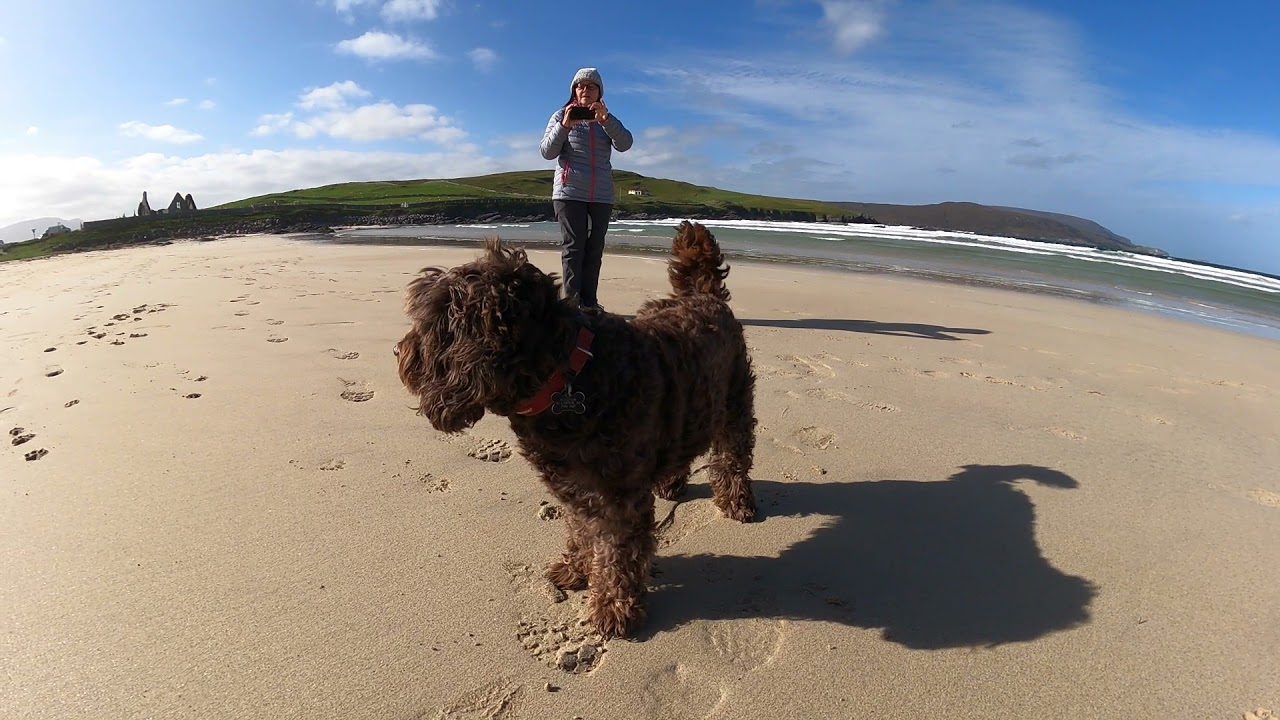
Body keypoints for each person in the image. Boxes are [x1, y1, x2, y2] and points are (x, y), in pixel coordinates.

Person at [539, 67, 633, 312]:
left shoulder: (606, 119)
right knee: (574, 247)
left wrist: (606, 120)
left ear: (599, 92)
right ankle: (572, 304)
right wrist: (565, 126)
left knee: (594, 250)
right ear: (574, 91)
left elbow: (625, 143)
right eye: (580, 86)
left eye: (591, 86)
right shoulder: (561, 115)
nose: (585, 90)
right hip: (569, 193)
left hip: (601, 195)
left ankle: (590, 303)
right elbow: (547, 152)